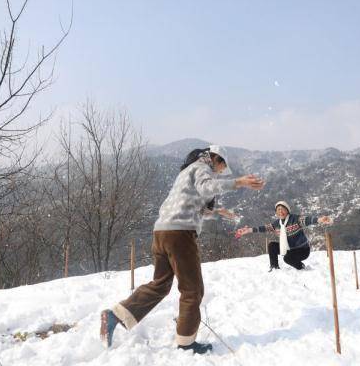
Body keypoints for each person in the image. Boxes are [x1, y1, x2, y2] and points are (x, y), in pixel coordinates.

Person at [100, 145, 265, 353]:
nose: (221, 171)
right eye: (222, 168)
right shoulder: (203, 167)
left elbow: (189, 203)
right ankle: (186, 342)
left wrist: (217, 211)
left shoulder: (187, 171)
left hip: (161, 232)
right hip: (180, 235)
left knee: (160, 284)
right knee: (192, 289)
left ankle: (115, 315)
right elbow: (207, 188)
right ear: (217, 159)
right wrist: (239, 182)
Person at [234, 201, 332, 271]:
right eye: (278, 210)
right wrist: (248, 230)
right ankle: (274, 267)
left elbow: (307, 220)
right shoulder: (277, 224)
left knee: (287, 258)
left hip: (302, 250)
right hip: (289, 249)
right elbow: (264, 228)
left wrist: (319, 220)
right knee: (272, 245)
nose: (280, 211)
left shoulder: (295, 219)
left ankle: (301, 267)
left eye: (282, 209)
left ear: (287, 211)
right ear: (276, 213)